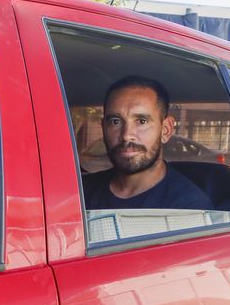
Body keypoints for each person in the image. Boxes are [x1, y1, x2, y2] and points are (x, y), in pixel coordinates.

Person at [82, 76, 213, 210]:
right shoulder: (81, 192)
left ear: (166, 130)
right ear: (104, 127)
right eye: (115, 121)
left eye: (141, 121)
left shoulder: (188, 207)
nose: (126, 135)